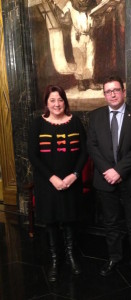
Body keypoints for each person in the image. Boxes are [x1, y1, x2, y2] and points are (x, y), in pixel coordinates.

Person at [87, 75, 131, 289]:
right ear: (104, 94)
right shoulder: (95, 116)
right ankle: (114, 257)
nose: (112, 94)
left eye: (116, 90)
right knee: (110, 223)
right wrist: (108, 171)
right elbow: (92, 146)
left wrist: (119, 171)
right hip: (105, 181)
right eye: (108, 91)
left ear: (124, 91)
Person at [28, 84, 87, 282]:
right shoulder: (38, 123)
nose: (57, 104)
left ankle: (70, 257)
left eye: (60, 100)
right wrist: (52, 178)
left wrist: (75, 175)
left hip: (71, 182)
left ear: (65, 102)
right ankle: (54, 259)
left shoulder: (76, 122)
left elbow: (84, 152)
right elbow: (33, 155)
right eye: (52, 100)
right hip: (47, 183)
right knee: (51, 221)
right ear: (46, 103)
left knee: (69, 219)